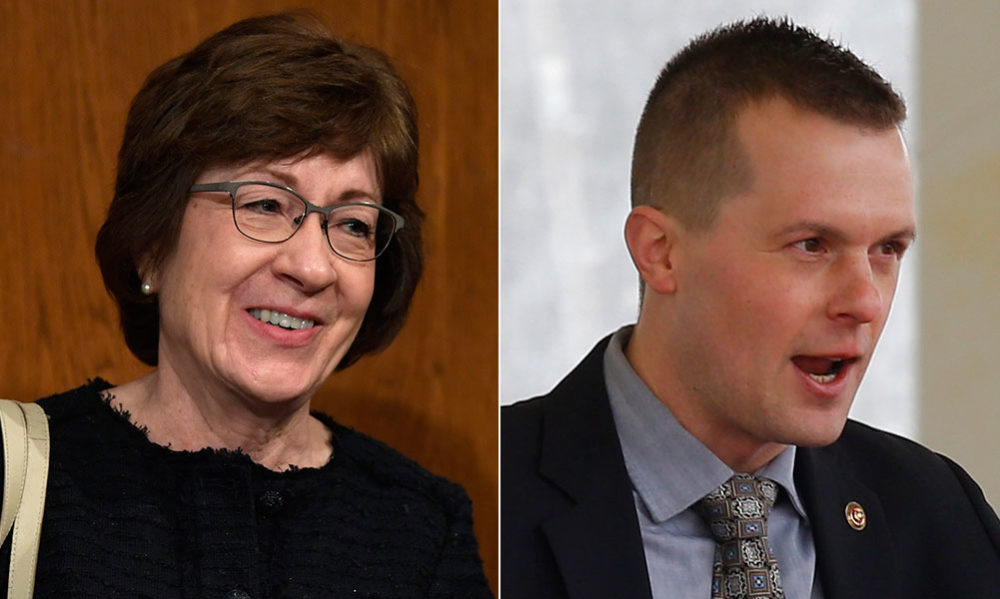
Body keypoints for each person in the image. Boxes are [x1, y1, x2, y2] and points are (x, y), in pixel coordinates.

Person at [502, 17, 1000, 599]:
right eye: (812, 245)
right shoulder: (475, 500)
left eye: (887, 249)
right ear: (660, 253)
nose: (865, 301)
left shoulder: (941, 514)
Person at [0, 13, 490, 597]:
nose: (311, 267)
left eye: (353, 223)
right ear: (153, 244)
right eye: (263, 206)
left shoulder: (424, 530)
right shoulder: (23, 475)